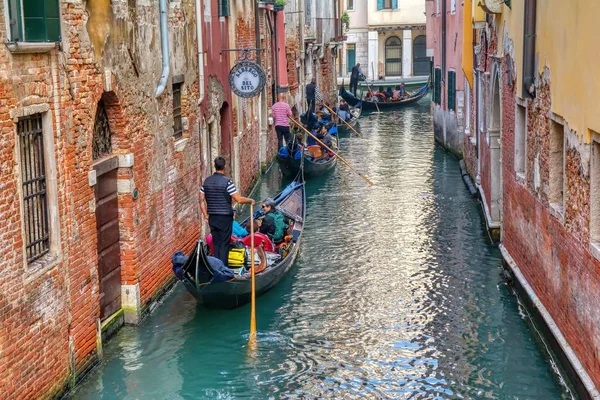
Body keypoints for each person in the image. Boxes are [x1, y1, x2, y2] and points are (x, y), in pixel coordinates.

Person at [200, 157, 255, 266]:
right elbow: (238, 199)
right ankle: (223, 268)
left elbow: (201, 200)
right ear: (224, 167)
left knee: (216, 243)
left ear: (214, 166)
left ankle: (216, 267)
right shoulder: (227, 182)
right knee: (224, 243)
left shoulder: (206, 182)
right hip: (224, 218)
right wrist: (250, 200)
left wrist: (206, 215)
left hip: (213, 218)